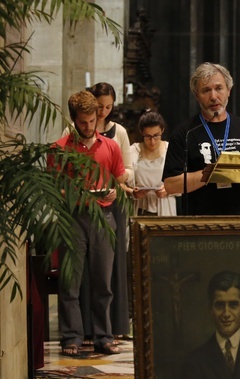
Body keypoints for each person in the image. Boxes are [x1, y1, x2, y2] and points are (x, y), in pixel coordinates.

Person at [50, 91, 127, 356]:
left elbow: (118, 179)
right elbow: (54, 188)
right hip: (73, 219)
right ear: (74, 120)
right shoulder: (59, 148)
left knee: (103, 283)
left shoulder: (110, 147)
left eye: (92, 121)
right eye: (83, 122)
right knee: (70, 283)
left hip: (103, 217)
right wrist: (76, 195)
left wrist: (115, 190)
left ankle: (103, 336)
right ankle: (71, 336)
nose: (88, 126)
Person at [163, 62, 240, 215]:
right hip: (198, 222)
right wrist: (210, 173)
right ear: (196, 95)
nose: (213, 96)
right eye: (206, 90)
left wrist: (234, 172)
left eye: (218, 88)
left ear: (229, 90)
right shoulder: (186, 132)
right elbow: (171, 185)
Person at [88, 83, 133, 341]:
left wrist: (116, 177)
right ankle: (87, 326)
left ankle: (115, 324)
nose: (104, 112)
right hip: (86, 201)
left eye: (108, 106)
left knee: (114, 263)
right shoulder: (76, 129)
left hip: (114, 199)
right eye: (99, 106)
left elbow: (129, 169)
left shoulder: (121, 133)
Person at [131, 110, 176, 216]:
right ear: (141, 133)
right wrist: (134, 192)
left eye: (156, 136)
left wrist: (168, 189)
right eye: (148, 136)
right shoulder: (133, 150)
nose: (152, 141)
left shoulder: (170, 150)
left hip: (164, 204)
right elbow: (123, 182)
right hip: (140, 206)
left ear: (162, 130)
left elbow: (182, 180)